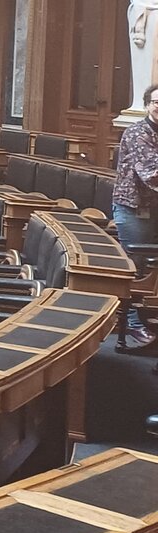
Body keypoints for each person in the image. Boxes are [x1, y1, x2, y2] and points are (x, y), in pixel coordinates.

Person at [112, 83, 158, 348]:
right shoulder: (137, 132)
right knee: (137, 268)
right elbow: (152, 172)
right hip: (133, 208)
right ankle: (131, 322)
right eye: (156, 102)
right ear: (147, 105)